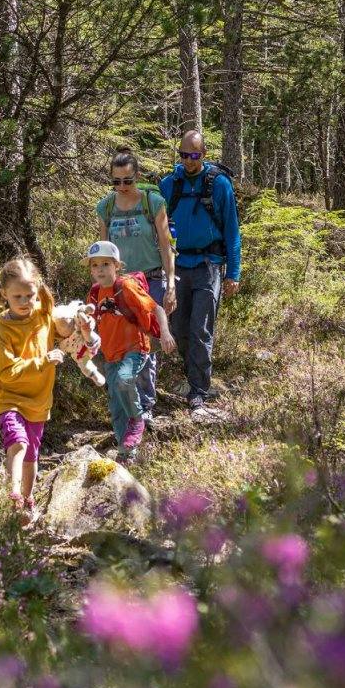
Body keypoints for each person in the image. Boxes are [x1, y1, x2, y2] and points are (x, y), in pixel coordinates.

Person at [159, 129, 242, 416]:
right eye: (184, 155)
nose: (189, 160)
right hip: (178, 265)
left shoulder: (219, 184)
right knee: (179, 328)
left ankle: (198, 391)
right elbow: (158, 228)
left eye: (194, 155)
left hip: (209, 265)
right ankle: (190, 373)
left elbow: (232, 231)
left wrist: (233, 273)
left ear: (204, 154)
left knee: (200, 330)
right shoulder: (169, 184)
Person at [95, 147, 176, 419]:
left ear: (137, 176)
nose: (122, 186)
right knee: (122, 343)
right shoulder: (106, 207)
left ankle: (145, 406)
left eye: (127, 180)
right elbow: (104, 252)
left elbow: (165, 245)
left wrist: (171, 284)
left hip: (150, 280)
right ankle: (129, 405)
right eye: (116, 181)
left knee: (145, 344)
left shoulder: (153, 203)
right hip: (120, 285)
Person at [0, 255, 64, 516]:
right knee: (17, 443)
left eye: (29, 296)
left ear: (37, 291)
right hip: (10, 398)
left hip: (39, 402)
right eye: (17, 296)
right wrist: (43, 361)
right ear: (4, 294)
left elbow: (67, 329)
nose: (24, 302)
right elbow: (6, 372)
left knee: (31, 456)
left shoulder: (44, 316)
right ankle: (13, 496)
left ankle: (28, 502)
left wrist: (82, 327)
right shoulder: (3, 328)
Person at [83, 239, 170, 459]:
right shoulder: (94, 293)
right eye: (95, 265)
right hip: (110, 355)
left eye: (105, 264)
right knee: (116, 407)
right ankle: (126, 453)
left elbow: (157, 308)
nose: (100, 269)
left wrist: (166, 334)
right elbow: (90, 325)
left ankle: (138, 419)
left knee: (125, 380)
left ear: (117, 266)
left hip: (135, 348)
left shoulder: (126, 287)